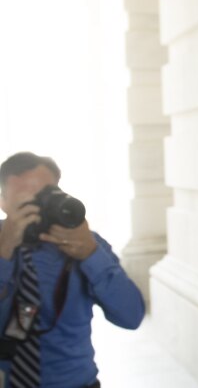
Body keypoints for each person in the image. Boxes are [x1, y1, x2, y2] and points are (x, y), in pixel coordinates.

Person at [0, 151, 145, 387]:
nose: (37, 208)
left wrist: (91, 255)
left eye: (45, 196)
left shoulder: (86, 242)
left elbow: (131, 317)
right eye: (26, 201)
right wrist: (3, 252)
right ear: (3, 201)